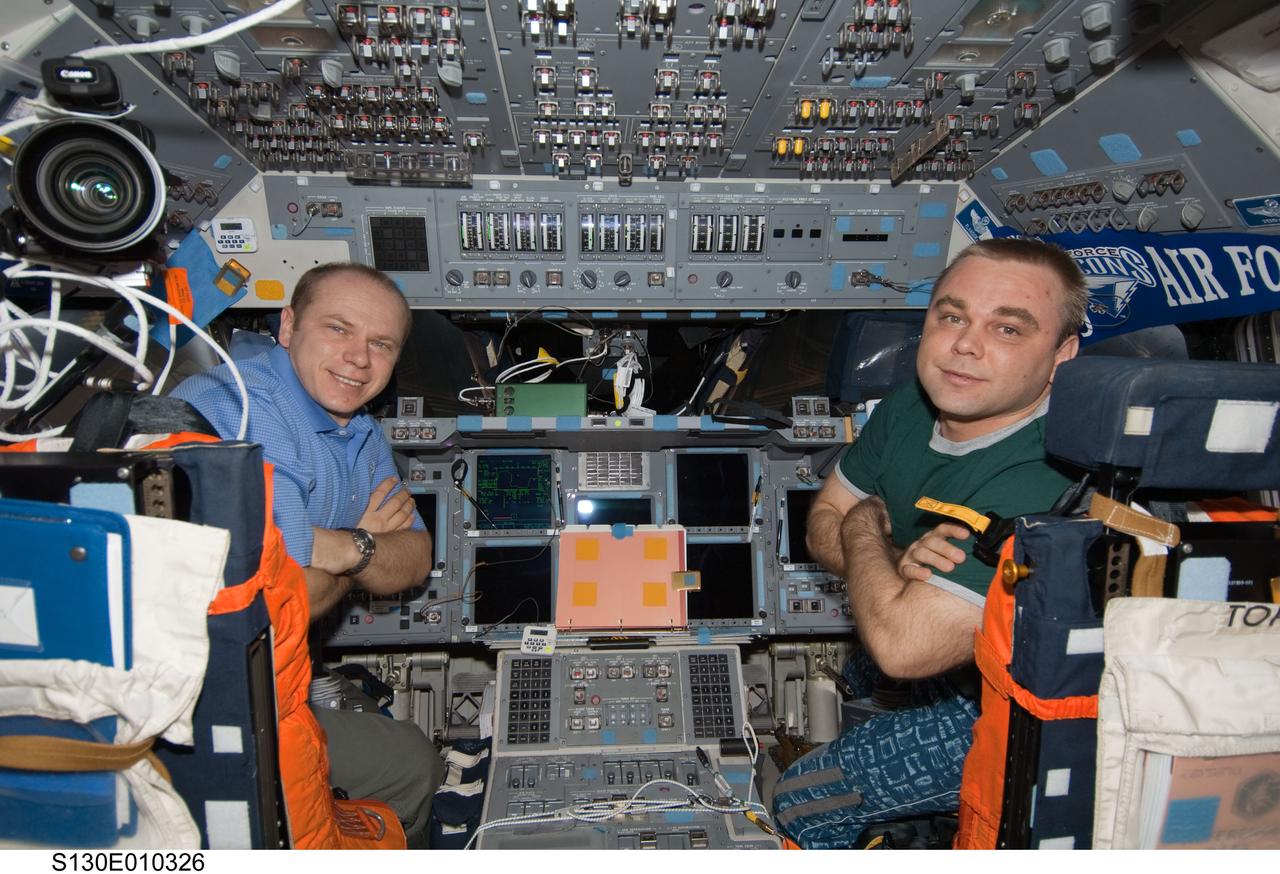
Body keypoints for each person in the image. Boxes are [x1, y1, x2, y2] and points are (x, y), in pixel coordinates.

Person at [771, 237, 1087, 848]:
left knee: (803, 796)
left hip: (1005, 703)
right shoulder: (911, 407)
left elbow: (904, 646)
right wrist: (893, 562)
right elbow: (820, 519)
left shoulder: (1050, 470)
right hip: (939, 637)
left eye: (1009, 329)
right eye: (952, 316)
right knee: (855, 666)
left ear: (1062, 355)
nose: (966, 344)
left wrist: (865, 523)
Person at [172, 262, 442, 846]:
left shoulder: (359, 429)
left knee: (412, 759)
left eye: (381, 344)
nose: (359, 359)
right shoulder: (245, 406)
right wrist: (362, 552)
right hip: (203, 705)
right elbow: (286, 597)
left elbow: (417, 555)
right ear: (289, 325)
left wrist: (342, 547)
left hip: (273, 688)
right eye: (338, 329)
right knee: (414, 764)